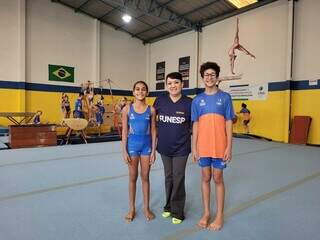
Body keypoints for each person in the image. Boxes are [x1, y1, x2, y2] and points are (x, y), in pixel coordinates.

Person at [192, 62, 235, 231]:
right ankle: (207, 212)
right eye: (206, 75)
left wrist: (228, 147)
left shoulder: (225, 98)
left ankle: (219, 215)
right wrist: (194, 147)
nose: (209, 77)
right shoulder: (197, 100)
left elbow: (229, 123)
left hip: (220, 146)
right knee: (205, 177)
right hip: (203, 147)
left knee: (217, 178)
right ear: (202, 78)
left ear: (217, 77)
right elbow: (195, 125)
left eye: (212, 74)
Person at [153, 72, 192, 225]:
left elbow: (196, 125)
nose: (173, 86)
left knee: (178, 177)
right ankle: (168, 206)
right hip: (164, 147)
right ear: (166, 85)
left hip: (181, 148)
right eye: (169, 83)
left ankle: (178, 211)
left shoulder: (189, 103)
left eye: (176, 82)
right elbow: (149, 118)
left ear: (182, 84)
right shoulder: (160, 100)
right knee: (168, 177)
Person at [121, 81, 157, 222]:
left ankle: (146, 208)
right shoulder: (127, 109)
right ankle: (132, 208)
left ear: (147, 92)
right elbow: (124, 131)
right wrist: (124, 151)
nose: (140, 91)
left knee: (145, 177)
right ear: (133, 92)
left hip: (146, 147)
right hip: (132, 146)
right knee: (132, 177)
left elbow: (154, 131)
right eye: (137, 89)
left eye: (143, 89)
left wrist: (153, 151)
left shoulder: (152, 110)